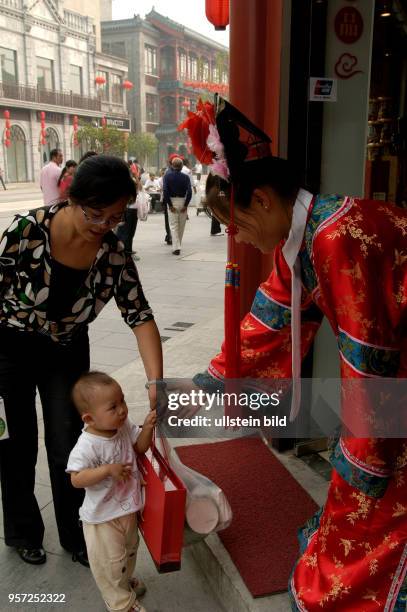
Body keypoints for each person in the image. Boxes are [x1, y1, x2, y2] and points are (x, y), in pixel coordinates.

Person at [181, 95, 407, 610]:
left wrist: (362, 459)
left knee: (376, 493)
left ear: (262, 200)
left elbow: (367, 359)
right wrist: (208, 385)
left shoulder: (335, 239)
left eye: (235, 224)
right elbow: (267, 321)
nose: (237, 237)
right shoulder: (302, 240)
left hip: (392, 372)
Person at [0, 155, 162, 567]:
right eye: (97, 215)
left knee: (69, 441)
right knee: (15, 444)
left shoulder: (113, 252)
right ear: (72, 199)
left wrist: (155, 382)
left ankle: (77, 534)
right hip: (10, 346)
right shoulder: (26, 231)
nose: (105, 226)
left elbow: (139, 315)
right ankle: (22, 532)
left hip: (67, 348)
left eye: (115, 216)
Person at [67, 371, 156, 612]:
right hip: (102, 518)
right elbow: (76, 479)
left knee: (129, 552)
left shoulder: (123, 425)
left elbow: (139, 447)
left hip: (126, 508)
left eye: (123, 401)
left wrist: (147, 427)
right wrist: (107, 470)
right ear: (90, 418)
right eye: (113, 407)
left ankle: (124, 584)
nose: (122, 410)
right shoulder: (87, 445)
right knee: (111, 563)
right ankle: (120, 603)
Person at [162, 157, 192, 255]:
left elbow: (165, 191)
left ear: (172, 165)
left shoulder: (167, 176)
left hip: (172, 200)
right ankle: (178, 245)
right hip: (183, 201)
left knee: (174, 225)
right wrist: (186, 205)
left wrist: (169, 205)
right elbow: (190, 192)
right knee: (181, 226)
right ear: (182, 166)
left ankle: (176, 247)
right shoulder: (186, 177)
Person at [158, 167, 172, 245]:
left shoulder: (166, 179)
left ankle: (170, 236)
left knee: (169, 219)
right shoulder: (161, 180)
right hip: (166, 199)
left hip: (167, 199)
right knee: (167, 219)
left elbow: (164, 190)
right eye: (162, 173)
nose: (163, 175)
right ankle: (169, 235)